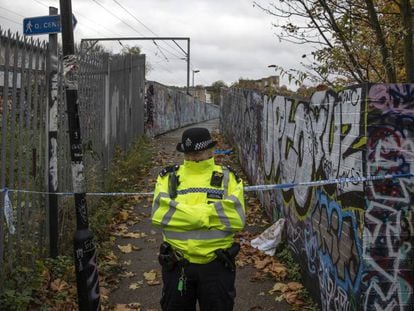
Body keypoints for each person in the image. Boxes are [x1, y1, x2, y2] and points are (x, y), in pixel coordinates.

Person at [151, 127, 245, 311]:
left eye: (198, 152)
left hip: (216, 265)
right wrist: (211, 214)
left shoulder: (228, 178)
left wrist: (184, 214)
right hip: (177, 264)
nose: (193, 157)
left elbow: (236, 218)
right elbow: (160, 215)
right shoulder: (168, 177)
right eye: (189, 154)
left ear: (211, 151)